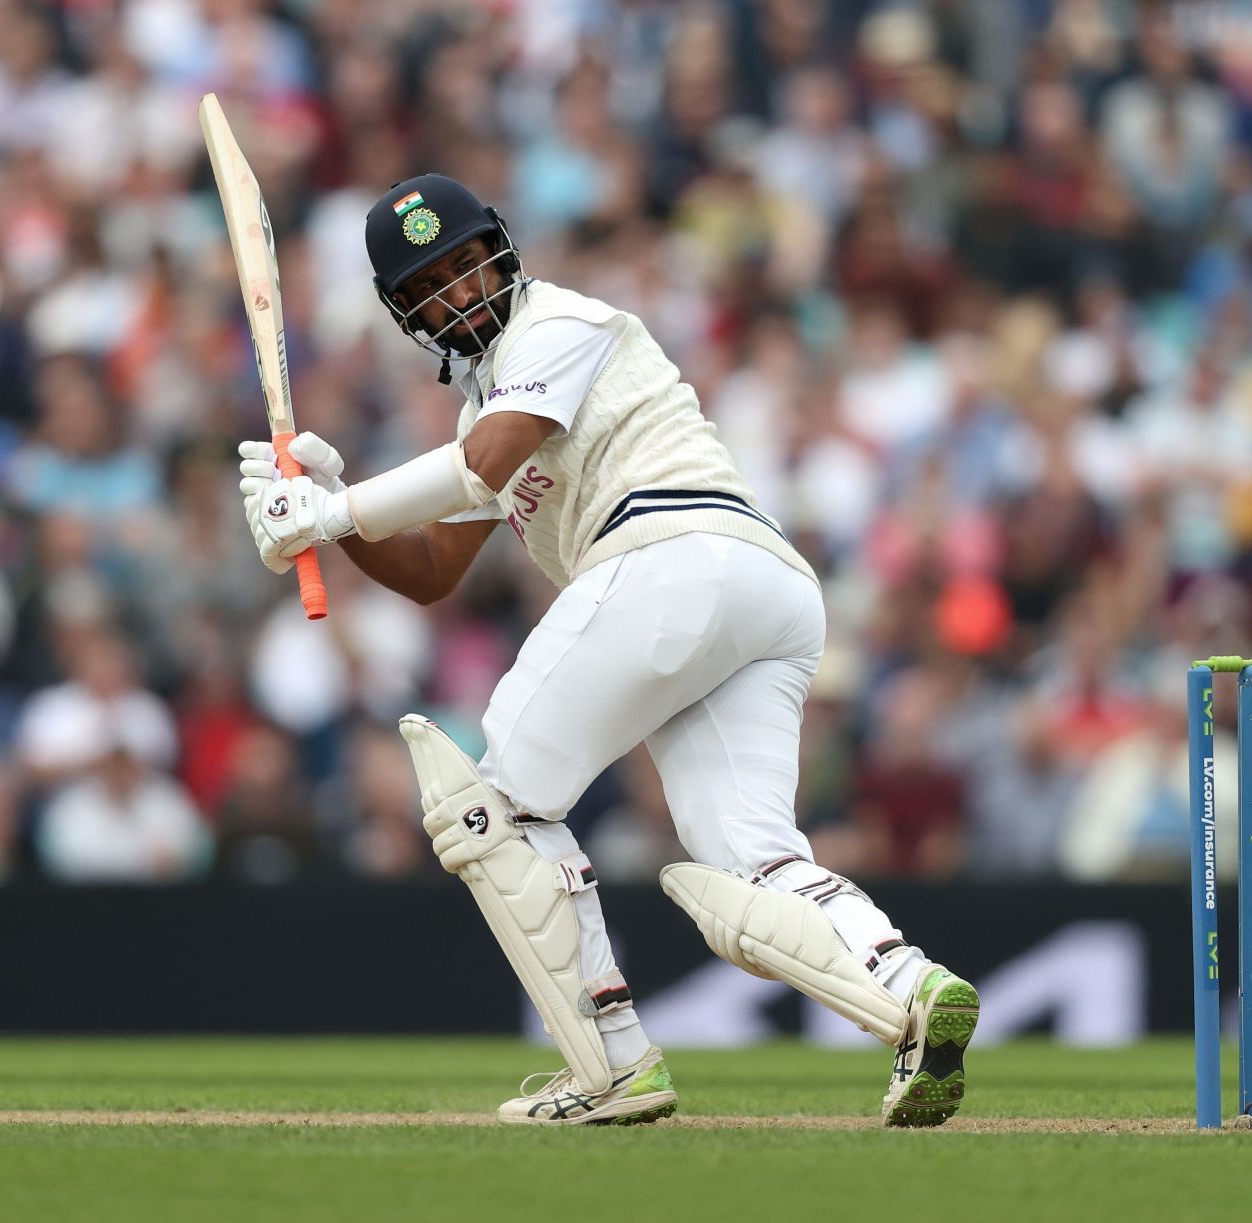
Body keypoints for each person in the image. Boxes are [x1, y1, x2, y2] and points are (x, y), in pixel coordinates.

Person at [236, 174, 976, 1127]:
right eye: (434, 283)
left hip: (672, 556)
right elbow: (430, 569)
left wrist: (333, 507)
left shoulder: (560, 323)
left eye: (469, 263)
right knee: (751, 864)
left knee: (489, 803)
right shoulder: (484, 403)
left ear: (503, 249)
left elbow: (481, 465)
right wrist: (335, 514)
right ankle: (914, 991)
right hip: (755, 592)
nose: (462, 292)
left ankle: (613, 1065)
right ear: (405, 311)